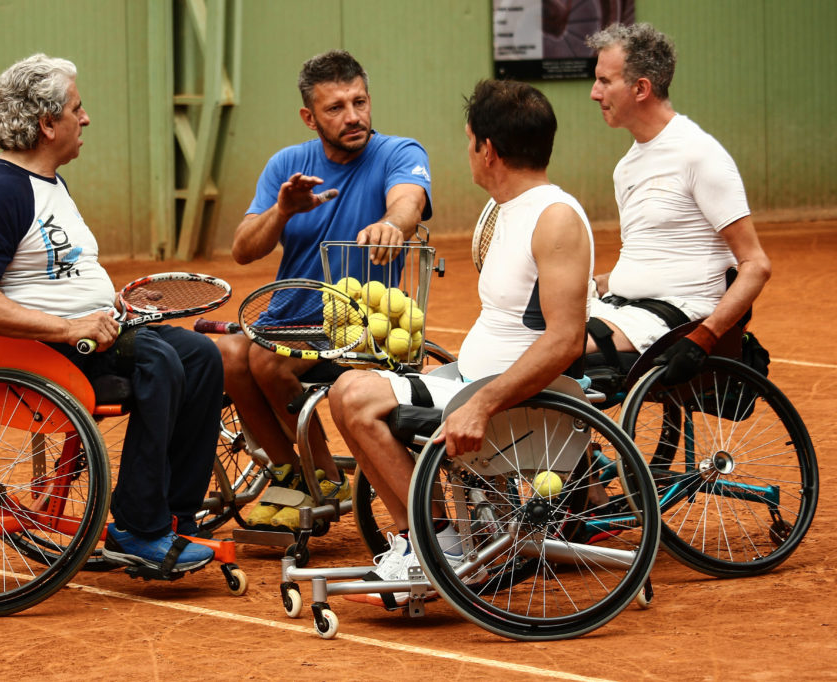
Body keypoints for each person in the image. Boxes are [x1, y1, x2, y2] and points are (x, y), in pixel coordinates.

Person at [0, 54, 222, 576]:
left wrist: (110, 305)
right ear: (47, 124)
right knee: (158, 362)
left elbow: (56, 274)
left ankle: (176, 514)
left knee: (201, 355)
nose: (86, 118)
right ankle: (141, 528)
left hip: (90, 337)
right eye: (77, 108)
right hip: (46, 350)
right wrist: (74, 324)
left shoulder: (48, 184)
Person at [329, 79, 594, 608]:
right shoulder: (504, 211)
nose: (468, 151)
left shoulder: (554, 218)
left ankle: (434, 546)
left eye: (469, 140)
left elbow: (567, 339)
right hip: (475, 386)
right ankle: (429, 541)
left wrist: (483, 403)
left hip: (517, 406)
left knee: (355, 398)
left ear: (487, 150)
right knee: (346, 389)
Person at [220, 49, 433, 531]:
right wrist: (282, 211)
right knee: (228, 355)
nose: (353, 116)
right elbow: (243, 250)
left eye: (359, 101)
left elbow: (408, 203)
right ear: (309, 117)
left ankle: (324, 476)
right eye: (335, 108)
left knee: (265, 359)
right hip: (287, 321)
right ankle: (291, 474)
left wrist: (391, 224)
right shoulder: (288, 165)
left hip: (359, 326)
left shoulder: (398, 152)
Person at [584, 23, 771, 384]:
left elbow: (756, 265)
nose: (594, 93)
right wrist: (587, 283)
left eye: (605, 81)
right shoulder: (626, 168)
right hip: (623, 310)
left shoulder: (698, 155)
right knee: (522, 329)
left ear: (641, 88)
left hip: (674, 321)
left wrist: (704, 337)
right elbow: (653, 259)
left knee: (549, 346)